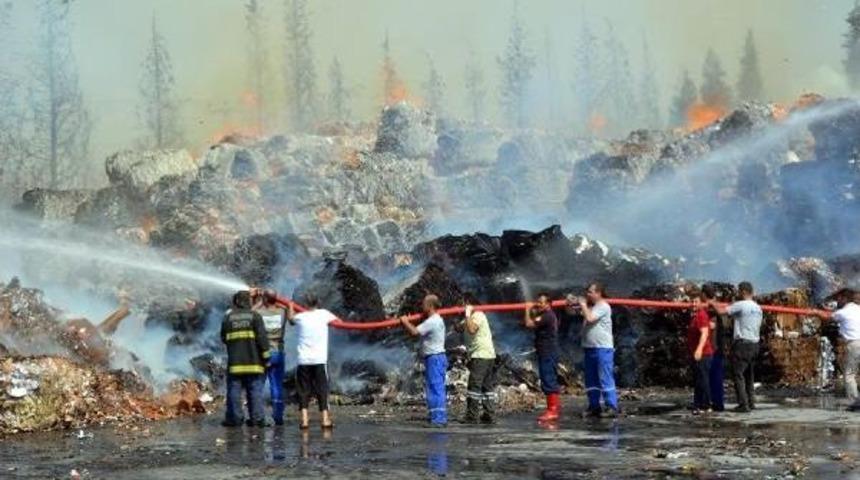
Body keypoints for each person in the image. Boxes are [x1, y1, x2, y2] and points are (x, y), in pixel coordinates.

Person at [711, 281, 762, 413]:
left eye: (739, 291)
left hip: (743, 344)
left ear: (744, 292)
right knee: (749, 375)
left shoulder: (741, 305)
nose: (738, 294)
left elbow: (722, 311)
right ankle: (751, 402)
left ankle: (743, 404)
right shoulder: (758, 308)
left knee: (738, 374)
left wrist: (712, 303)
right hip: (755, 344)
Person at [221, 290, 271, 427]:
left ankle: (235, 419)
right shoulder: (255, 316)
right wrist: (267, 357)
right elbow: (262, 339)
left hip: (235, 363)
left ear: (236, 302)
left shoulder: (228, 317)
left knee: (234, 391)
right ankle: (257, 419)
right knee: (255, 390)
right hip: (254, 363)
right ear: (248, 301)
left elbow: (223, 338)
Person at [287, 294, 337, 430]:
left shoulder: (300, 317)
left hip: (303, 360)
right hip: (319, 360)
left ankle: (304, 421)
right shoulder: (324, 314)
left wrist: (290, 306)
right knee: (322, 390)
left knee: (303, 391)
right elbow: (339, 322)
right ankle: (325, 420)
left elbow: (290, 320)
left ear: (304, 304)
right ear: (318, 303)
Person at [400, 294, 448, 427]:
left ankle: (439, 420)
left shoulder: (432, 321)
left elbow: (415, 332)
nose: (422, 306)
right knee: (434, 388)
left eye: (424, 304)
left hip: (435, 358)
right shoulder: (435, 319)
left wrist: (405, 321)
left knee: (435, 388)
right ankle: (436, 417)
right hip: (435, 358)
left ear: (430, 306)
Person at [577, 283, 620, 418]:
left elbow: (590, 318)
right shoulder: (593, 307)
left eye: (590, 292)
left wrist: (583, 305)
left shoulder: (603, 306)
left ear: (598, 293)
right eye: (587, 292)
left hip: (602, 348)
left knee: (605, 377)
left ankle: (611, 406)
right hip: (590, 348)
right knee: (591, 379)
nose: (587, 294)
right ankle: (594, 406)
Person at [454, 292, 497, 424]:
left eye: (462, 303)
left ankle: (472, 416)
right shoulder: (470, 317)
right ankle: (489, 414)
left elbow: (472, 329)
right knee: (486, 386)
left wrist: (467, 313)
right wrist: (458, 316)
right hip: (485, 355)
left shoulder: (478, 315)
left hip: (481, 355)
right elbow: (459, 328)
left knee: (474, 385)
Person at [524, 292, 561, 422]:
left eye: (542, 302)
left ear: (549, 304)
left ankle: (553, 411)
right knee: (547, 378)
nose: (539, 304)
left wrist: (527, 309)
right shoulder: (545, 315)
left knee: (549, 379)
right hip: (546, 351)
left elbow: (529, 324)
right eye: (538, 301)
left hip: (548, 352)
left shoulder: (547, 316)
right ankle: (552, 409)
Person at [253, 289, 288, 426]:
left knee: (258, 385)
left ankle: (258, 415)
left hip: (262, 354)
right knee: (277, 386)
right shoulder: (282, 312)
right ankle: (278, 417)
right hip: (278, 353)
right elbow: (287, 308)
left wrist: (260, 300)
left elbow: (249, 313)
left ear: (265, 300)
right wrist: (276, 299)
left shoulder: (259, 313)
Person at [687, 286, 715, 415]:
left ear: (701, 302)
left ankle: (706, 405)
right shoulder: (696, 315)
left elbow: (704, 333)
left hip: (703, 354)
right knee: (699, 379)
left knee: (703, 380)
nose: (693, 304)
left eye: (696, 301)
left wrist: (698, 350)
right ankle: (698, 404)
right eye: (692, 301)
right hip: (699, 354)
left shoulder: (701, 316)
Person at [832, 289, 860, 411]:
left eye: (838, 298)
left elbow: (828, 316)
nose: (837, 301)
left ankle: (854, 401)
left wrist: (815, 312)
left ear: (844, 298)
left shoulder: (844, 311)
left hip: (855, 343)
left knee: (849, 374)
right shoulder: (857, 309)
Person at [702, 284, 726, 412]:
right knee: (716, 377)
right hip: (718, 347)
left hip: (712, 349)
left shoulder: (711, 309)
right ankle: (716, 403)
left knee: (709, 377)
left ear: (704, 295)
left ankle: (710, 403)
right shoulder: (719, 306)